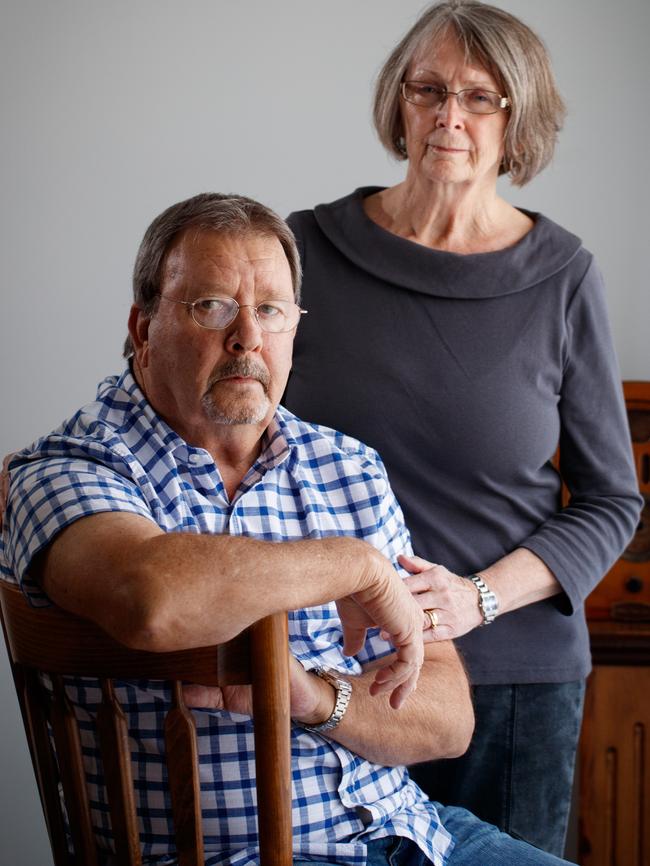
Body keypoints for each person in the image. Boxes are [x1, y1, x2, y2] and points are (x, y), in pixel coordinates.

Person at [0, 192, 579, 866]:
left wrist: (314, 697)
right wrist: (356, 565)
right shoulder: (63, 469)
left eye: (271, 310)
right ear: (143, 326)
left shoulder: (348, 467)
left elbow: (447, 718)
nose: (248, 337)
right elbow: (150, 599)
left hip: (411, 835)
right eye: (211, 306)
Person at [282, 1, 643, 857]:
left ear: (519, 121)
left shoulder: (563, 277)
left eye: (482, 98)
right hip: (331, 671)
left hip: (512, 680)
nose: (450, 116)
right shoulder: (307, 250)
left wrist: (475, 597)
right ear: (398, 103)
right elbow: (234, 426)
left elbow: (611, 500)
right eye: (431, 89)